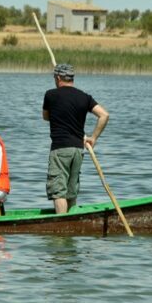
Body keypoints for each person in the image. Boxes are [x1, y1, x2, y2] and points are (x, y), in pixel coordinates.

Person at [42, 63, 110, 214]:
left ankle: (62, 226)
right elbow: (104, 115)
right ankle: (72, 225)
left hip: (60, 149)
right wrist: (93, 138)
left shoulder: (50, 95)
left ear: (58, 78)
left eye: (55, 77)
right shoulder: (84, 97)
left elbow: (46, 117)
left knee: (58, 190)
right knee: (71, 190)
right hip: (78, 150)